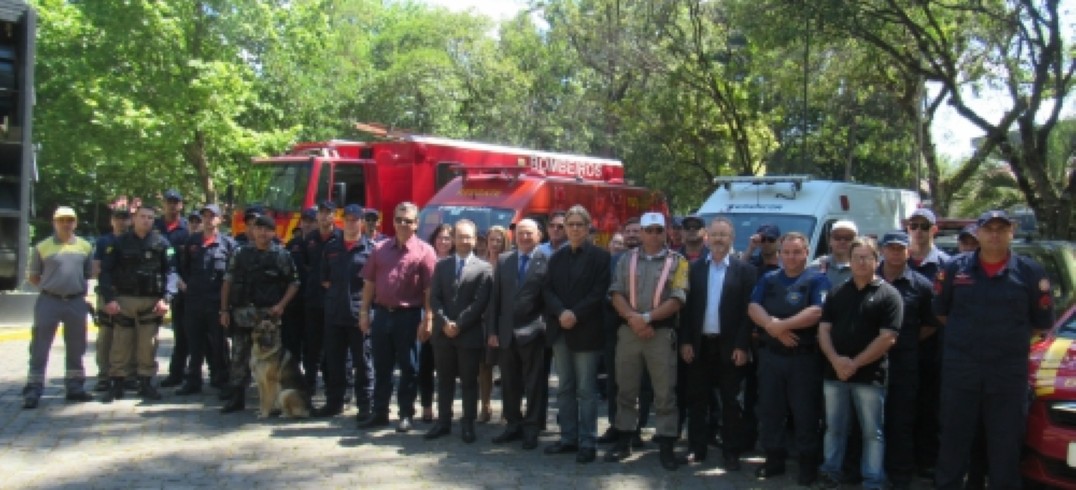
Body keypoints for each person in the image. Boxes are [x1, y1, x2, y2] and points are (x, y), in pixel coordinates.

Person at [932, 210, 1054, 490]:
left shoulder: (1030, 272)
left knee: (1005, 451)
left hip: (1006, 377)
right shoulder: (954, 269)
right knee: (952, 446)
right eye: (989, 229)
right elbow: (941, 312)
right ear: (978, 233)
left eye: (1002, 229)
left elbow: (1040, 323)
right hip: (961, 373)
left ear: (1012, 232)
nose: (995, 235)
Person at [816, 237, 902, 490]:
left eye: (867, 257)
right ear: (850, 261)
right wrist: (835, 360)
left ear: (877, 260)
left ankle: (873, 479)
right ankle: (830, 471)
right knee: (834, 428)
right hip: (835, 374)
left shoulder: (889, 295)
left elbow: (888, 338)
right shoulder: (837, 292)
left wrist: (854, 363)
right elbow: (823, 331)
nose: (861, 262)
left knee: (872, 433)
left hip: (870, 376)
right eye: (856, 258)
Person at [605, 212, 689, 471]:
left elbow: (678, 298)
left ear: (666, 233)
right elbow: (615, 292)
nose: (653, 235)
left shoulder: (680, 262)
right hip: (630, 332)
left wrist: (647, 318)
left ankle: (666, 445)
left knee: (665, 393)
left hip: (660, 334)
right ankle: (624, 439)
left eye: (658, 230)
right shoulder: (624, 259)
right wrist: (634, 319)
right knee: (626, 389)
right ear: (640, 233)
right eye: (648, 230)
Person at [748, 231, 830, 485]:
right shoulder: (770, 278)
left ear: (807, 253)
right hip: (771, 357)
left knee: (805, 413)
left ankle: (807, 465)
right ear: (780, 253)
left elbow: (817, 311)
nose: (791, 257)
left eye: (797, 252)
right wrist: (772, 326)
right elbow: (753, 307)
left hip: (803, 359)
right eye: (787, 252)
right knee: (771, 410)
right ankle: (774, 460)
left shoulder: (818, 279)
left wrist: (780, 326)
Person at [677, 216, 757, 470]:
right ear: (707, 238)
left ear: (732, 239)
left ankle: (731, 451)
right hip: (700, 345)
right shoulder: (695, 268)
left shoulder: (745, 271)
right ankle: (696, 449)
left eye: (724, 235)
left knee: (731, 403)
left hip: (731, 347)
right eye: (715, 234)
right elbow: (687, 311)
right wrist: (686, 341)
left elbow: (749, 312)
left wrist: (742, 346)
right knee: (696, 400)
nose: (719, 239)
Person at [359, 202, 438, 432]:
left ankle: (406, 414)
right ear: (393, 221)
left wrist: (429, 319)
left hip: (410, 316)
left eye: (409, 221)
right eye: (399, 220)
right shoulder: (379, 249)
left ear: (416, 224)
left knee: (409, 368)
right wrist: (364, 312)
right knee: (381, 367)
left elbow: (429, 291)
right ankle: (380, 412)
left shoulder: (425, 251)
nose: (403, 224)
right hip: (382, 314)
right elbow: (369, 283)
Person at [542, 205, 611, 464]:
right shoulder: (556, 257)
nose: (573, 229)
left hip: (586, 331)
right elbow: (547, 290)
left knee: (586, 390)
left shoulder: (600, 258)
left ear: (587, 227)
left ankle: (588, 441)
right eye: (569, 224)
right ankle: (568, 438)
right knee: (564, 389)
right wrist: (561, 312)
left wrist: (575, 314)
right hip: (561, 330)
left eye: (578, 225)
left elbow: (598, 292)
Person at [877, 230, 940, 489]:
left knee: (901, 418)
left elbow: (931, 323)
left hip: (905, 362)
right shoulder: (865, 278)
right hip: (868, 360)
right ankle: (866, 468)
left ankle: (900, 472)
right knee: (869, 419)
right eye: (890, 247)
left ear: (908, 251)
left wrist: (906, 340)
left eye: (899, 248)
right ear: (881, 250)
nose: (894, 252)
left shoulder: (922, 285)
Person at [219, 214, 300, 413]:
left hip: (268, 318)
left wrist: (281, 305)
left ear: (274, 232)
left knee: (270, 361)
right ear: (252, 231)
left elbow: (294, 282)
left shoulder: (281, 255)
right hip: (243, 314)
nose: (263, 233)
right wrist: (223, 309)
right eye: (259, 229)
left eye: (267, 230)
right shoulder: (240, 253)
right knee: (238, 356)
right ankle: (236, 398)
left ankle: (271, 402)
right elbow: (227, 281)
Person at [98, 204, 179, 403]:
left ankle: (145, 383)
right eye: (143, 217)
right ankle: (116, 383)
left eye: (151, 217)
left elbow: (171, 272)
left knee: (148, 346)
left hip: (151, 301)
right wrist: (109, 299)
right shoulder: (119, 243)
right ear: (134, 219)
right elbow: (106, 272)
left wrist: (167, 298)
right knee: (120, 343)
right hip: (124, 300)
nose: (146, 221)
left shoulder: (162, 244)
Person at [425, 219, 493, 443]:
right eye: (460, 236)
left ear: (475, 240)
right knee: (444, 380)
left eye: (468, 237)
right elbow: (434, 297)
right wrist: (445, 322)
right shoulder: (442, 265)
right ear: (453, 238)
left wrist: (459, 324)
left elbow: (480, 303)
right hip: (443, 333)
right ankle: (443, 421)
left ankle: (467, 424)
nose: (464, 241)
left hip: (469, 334)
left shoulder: (484, 268)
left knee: (468, 382)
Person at [21, 206, 95, 408]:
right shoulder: (42, 247)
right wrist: (52, 288)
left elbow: (88, 273)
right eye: (61, 220)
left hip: (76, 301)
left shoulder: (85, 247)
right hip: (49, 301)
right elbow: (34, 276)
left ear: (75, 222)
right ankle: (34, 388)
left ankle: (75, 387)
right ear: (54, 222)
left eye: (70, 220)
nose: (66, 224)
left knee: (77, 345)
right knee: (40, 346)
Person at [487, 219, 549, 450]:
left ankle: (532, 427)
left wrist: (543, 326)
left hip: (534, 332)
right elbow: (495, 299)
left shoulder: (547, 261)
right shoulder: (504, 260)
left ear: (538, 236)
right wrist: (492, 331)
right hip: (506, 333)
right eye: (521, 233)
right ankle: (513, 424)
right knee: (509, 383)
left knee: (534, 384)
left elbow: (548, 299)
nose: (524, 237)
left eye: (529, 233)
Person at [314, 204, 374, 419]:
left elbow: (372, 283)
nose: (350, 223)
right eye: (347, 219)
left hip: (359, 315)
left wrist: (365, 311)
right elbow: (325, 279)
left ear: (362, 222)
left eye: (354, 219)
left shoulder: (370, 250)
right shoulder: (331, 247)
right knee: (334, 361)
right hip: (334, 313)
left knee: (363, 362)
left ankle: (366, 406)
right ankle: (334, 402)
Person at [597, 216, 653, 448]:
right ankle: (617, 425)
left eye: (636, 231)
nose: (631, 234)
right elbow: (605, 291)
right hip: (615, 328)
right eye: (628, 231)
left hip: (647, 328)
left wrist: (641, 319)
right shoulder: (612, 260)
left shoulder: (653, 259)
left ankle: (637, 427)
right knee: (615, 382)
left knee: (643, 383)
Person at [904, 208, 948, 477]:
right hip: (899, 351)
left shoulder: (947, 264)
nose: (918, 231)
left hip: (934, 351)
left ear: (934, 229)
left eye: (924, 226)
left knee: (930, 409)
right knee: (902, 407)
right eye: (914, 225)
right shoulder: (897, 259)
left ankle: (927, 462)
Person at [176, 204, 237, 395]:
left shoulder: (228, 244)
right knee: (194, 343)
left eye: (213, 216)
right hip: (194, 301)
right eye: (205, 216)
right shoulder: (192, 242)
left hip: (216, 302)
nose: (208, 220)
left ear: (220, 219)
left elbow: (232, 274)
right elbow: (183, 267)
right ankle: (193, 380)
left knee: (219, 344)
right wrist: (186, 285)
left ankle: (221, 379)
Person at [301, 200, 341, 395]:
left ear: (335, 216)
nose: (324, 217)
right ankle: (309, 386)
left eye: (328, 213)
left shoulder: (340, 238)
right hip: (312, 300)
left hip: (334, 301)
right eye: (321, 213)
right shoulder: (309, 239)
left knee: (333, 346)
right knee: (312, 345)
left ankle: (332, 387)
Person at [91, 207, 132, 393]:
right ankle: (104, 375)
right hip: (107, 293)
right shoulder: (103, 241)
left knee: (127, 337)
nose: (121, 222)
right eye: (118, 218)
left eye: (125, 218)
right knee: (105, 336)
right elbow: (96, 268)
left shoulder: (133, 240)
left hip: (127, 294)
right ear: (112, 220)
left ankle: (126, 374)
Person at [156, 189, 192, 389]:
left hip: (179, 286)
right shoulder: (155, 226)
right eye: (169, 201)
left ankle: (179, 372)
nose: (172, 205)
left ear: (181, 205)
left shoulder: (187, 228)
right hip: (155, 286)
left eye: (175, 202)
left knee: (182, 332)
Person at [420, 223, 454, 422]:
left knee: (446, 369)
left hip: (448, 321)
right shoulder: (427, 260)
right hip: (427, 318)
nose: (443, 241)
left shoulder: (457, 261)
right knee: (425, 365)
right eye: (440, 237)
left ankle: (445, 409)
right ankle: (426, 406)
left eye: (447, 238)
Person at [478, 224, 510, 423]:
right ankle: (485, 406)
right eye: (492, 240)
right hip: (483, 321)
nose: (495, 244)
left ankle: (508, 408)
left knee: (507, 367)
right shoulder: (480, 264)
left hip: (504, 321)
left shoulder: (509, 263)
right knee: (484, 366)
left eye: (500, 240)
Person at [283, 207, 316, 368]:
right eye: (305, 221)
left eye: (311, 221)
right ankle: (292, 375)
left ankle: (310, 379)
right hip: (294, 301)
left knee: (312, 342)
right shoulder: (292, 244)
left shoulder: (322, 244)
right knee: (292, 341)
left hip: (314, 301)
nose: (308, 225)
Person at [808, 220, 858, 290]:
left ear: (856, 241)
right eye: (837, 237)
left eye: (848, 238)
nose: (842, 241)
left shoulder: (862, 268)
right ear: (830, 240)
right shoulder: (815, 267)